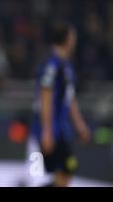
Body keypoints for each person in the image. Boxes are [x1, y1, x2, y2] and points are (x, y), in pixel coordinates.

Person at [30, 21, 90, 187]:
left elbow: (69, 98)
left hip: (61, 129)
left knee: (66, 170)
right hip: (51, 129)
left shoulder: (65, 66)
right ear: (67, 39)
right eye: (72, 36)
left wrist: (79, 125)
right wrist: (47, 131)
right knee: (58, 171)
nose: (74, 40)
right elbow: (46, 96)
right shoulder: (52, 65)